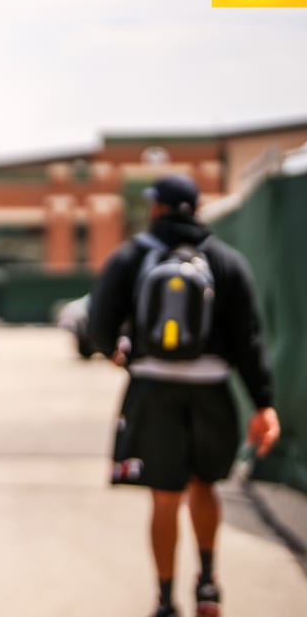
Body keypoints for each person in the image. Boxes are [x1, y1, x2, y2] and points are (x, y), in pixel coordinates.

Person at [87, 173, 280, 617]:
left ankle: (164, 598)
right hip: (211, 390)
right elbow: (249, 339)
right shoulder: (226, 261)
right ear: (195, 208)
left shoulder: (132, 256)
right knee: (204, 486)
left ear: (156, 207)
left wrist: (118, 353)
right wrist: (264, 403)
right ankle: (208, 583)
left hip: (154, 389)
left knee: (164, 497)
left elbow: (99, 324)